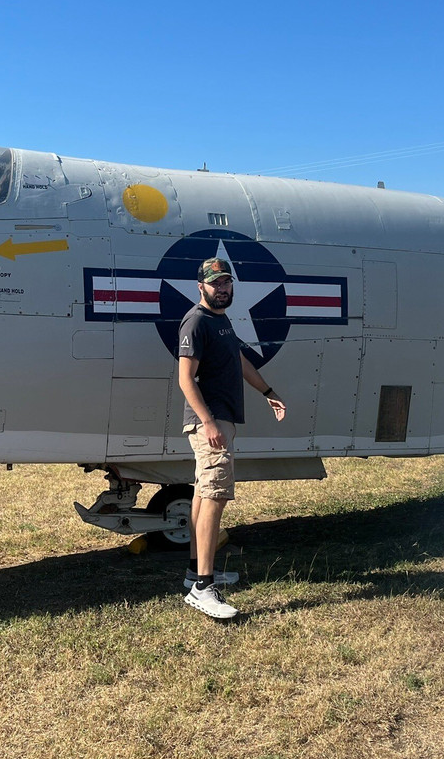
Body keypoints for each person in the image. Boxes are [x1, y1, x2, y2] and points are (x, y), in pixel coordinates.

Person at [177, 257, 286, 619]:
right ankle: (203, 588)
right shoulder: (196, 321)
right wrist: (208, 422)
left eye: (226, 282)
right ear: (201, 287)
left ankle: (195, 572)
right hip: (209, 423)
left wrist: (267, 391)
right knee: (216, 495)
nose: (222, 289)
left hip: (220, 420)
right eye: (215, 283)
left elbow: (239, 360)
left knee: (203, 494)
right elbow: (185, 379)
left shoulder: (220, 321)